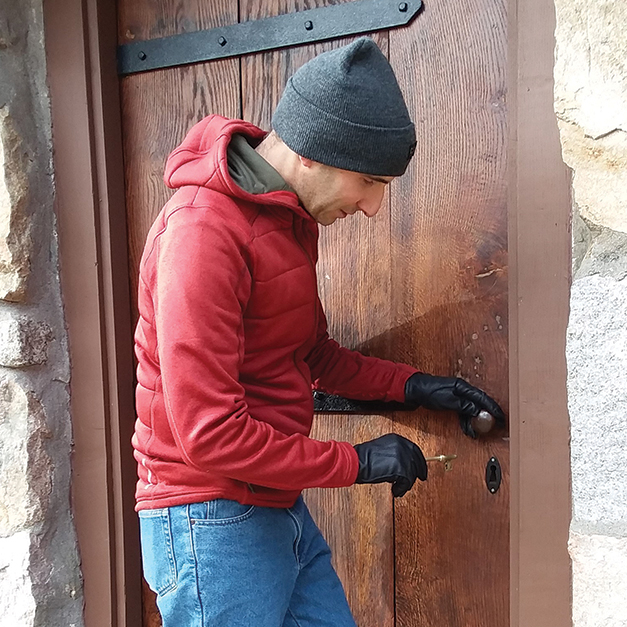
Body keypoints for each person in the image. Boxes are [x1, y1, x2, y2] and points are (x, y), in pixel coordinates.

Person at [132, 37, 505, 627]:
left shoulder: (285, 219)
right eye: (370, 182)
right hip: (209, 515)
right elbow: (209, 434)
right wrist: (356, 461)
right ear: (310, 154)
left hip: (272, 504)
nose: (374, 207)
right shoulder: (202, 235)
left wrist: (418, 386)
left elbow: (312, 354)